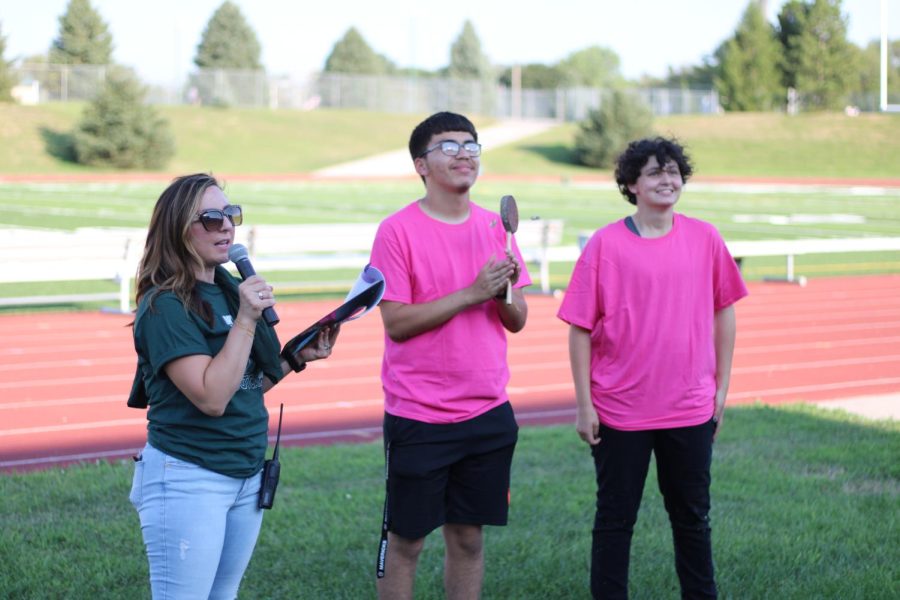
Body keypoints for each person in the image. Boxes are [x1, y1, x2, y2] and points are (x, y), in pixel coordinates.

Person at [127, 173, 339, 599]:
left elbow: (239, 385)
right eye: (210, 218)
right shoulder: (164, 306)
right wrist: (246, 319)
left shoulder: (226, 289)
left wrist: (294, 358)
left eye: (231, 214)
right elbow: (210, 398)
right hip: (189, 475)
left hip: (244, 471)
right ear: (177, 229)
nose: (226, 225)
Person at [557, 137, 748, 599]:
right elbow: (579, 328)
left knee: (692, 518)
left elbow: (725, 310)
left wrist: (720, 390)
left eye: (673, 171)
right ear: (630, 185)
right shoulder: (605, 244)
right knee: (615, 521)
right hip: (621, 410)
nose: (667, 179)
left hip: (689, 407)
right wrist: (585, 406)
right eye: (654, 172)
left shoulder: (705, 238)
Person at [368, 111, 531, 600]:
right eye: (449, 146)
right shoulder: (397, 231)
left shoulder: (494, 229)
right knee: (407, 543)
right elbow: (396, 322)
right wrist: (473, 291)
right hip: (419, 414)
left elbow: (518, 319)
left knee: (468, 538)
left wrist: (501, 291)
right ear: (421, 164)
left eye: (472, 145)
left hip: (487, 411)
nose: (464, 153)